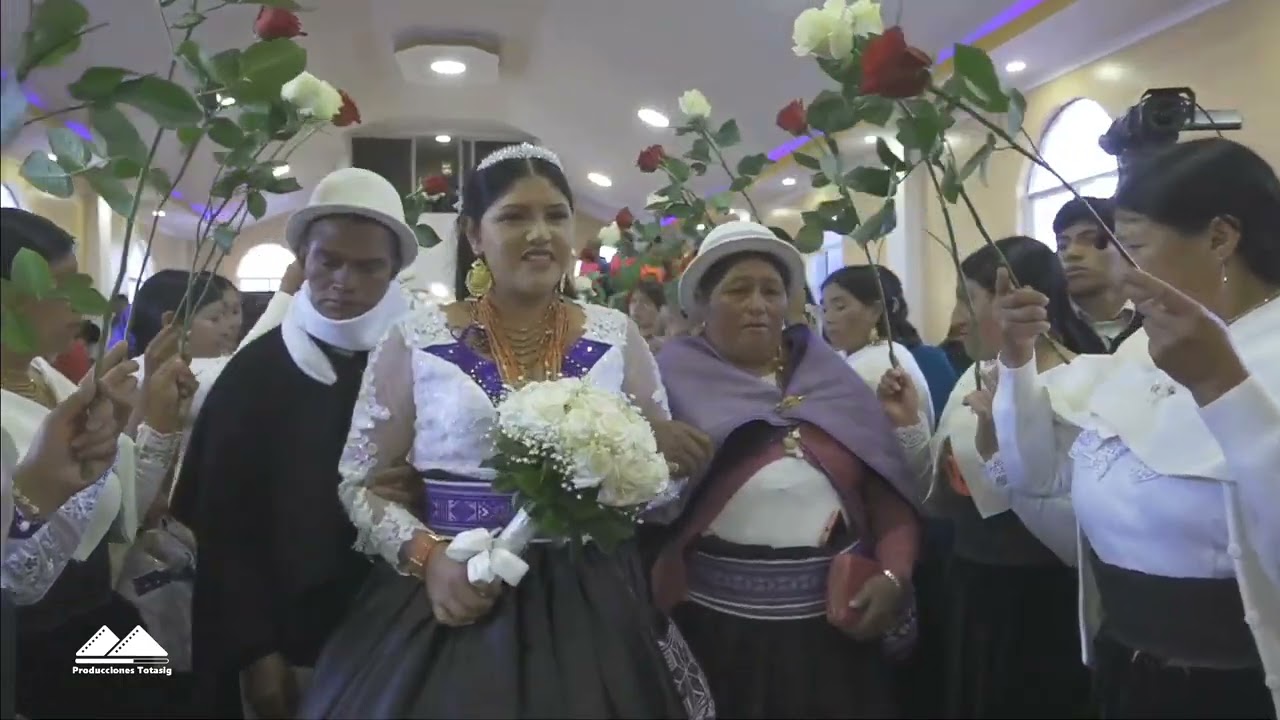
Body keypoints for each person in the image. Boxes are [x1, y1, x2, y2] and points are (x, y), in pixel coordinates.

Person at [299, 144, 712, 719]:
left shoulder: (616, 335)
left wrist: (658, 457)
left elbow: (649, 495)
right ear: (474, 234)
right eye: (515, 216)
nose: (540, 233)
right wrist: (431, 561)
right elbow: (359, 482)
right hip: (452, 591)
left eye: (556, 215)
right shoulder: (416, 337)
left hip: (587, 598)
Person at [992, 138, 1280, 718]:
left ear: (1221, 238)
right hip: (1127, 664)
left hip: (1237, 688)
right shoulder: (1141, 352)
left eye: (1132, 247)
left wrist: (1222, 387)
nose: (1119, 275)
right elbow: (1035, 478)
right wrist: (1017, 360)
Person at [172, 168, 422, 718]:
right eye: (327, 260)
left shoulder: (429, 365)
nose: (343, 280)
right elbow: (223, 524)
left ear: (395, 272)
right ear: (302, 261)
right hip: (287, 636)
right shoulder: (256, 374)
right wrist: (256, 650)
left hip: (406, 633)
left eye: (367, 266)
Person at [649, 221, 921, 718]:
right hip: (714, 635)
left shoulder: (831, 381)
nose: (758, 303)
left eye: (771, 290)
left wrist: (893, 574)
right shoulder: (665, 383)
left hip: (833, 635)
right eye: (738, 290)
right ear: (702, 306)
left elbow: (889, 503)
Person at [0, 207, 194, 718]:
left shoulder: (47, 377)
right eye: (60, 293)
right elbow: (16, 576)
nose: (81, 314)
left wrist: (154, 421)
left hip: (96, 616)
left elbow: (120, 515)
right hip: (30, 643)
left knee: (165, 703)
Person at [926, 236, 1102, 718]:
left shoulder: (1081, 382)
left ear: (1018, 301)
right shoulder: (976, 374)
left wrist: (1000, 456)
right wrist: (905, 424)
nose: (957, 317)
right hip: (972, 585)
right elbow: (944, 487)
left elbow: (1080, 538)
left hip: (1038, 603)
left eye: (969, 299)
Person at [821, 265, 956, 426]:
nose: (828, 318)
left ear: (875, 311)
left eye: (840, 307)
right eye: (824, 309)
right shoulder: (881, 351)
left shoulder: (875, 364)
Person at [1055, 196, 1142, 350]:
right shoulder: (1048, 331)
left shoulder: (1160, 319)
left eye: (1090, 239)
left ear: (1127, 247)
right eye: (1062, 245)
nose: (1071, 253)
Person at [628, 279, 668, 353]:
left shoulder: (667, 345)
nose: (636, 307)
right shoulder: (625, 343)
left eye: (645, 302)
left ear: (659, 309)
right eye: (633, 301)